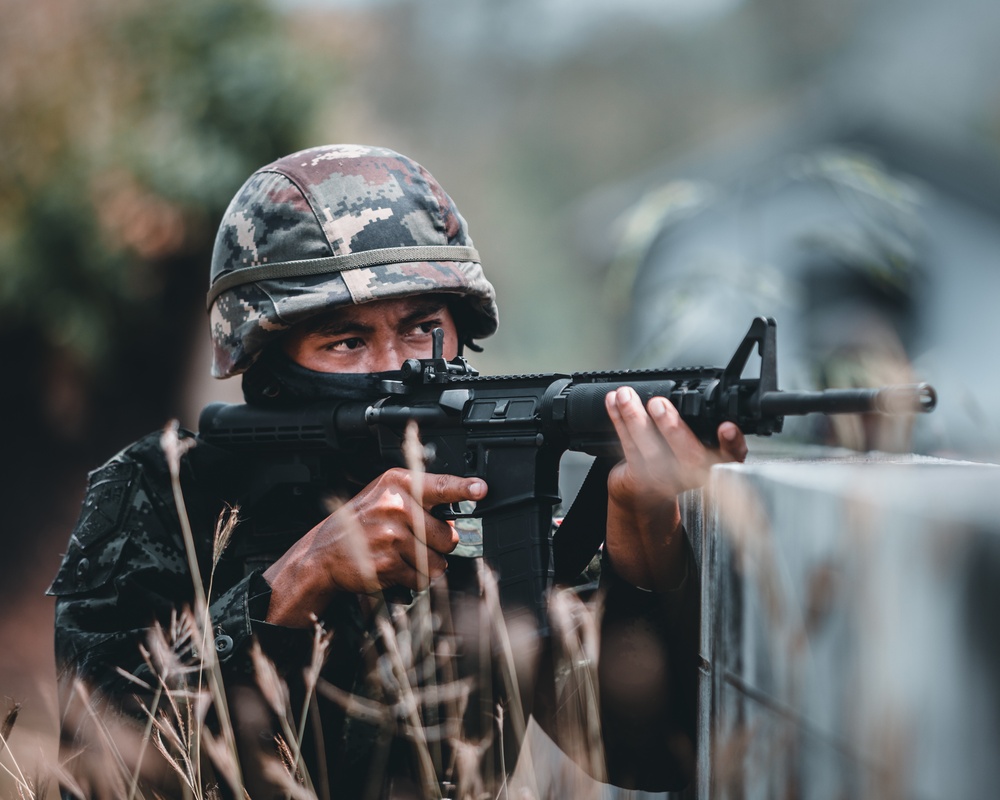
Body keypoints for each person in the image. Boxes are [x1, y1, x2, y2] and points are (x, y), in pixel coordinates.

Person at [49, 144, 747, 798]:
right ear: (268, 364)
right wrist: (296, 584)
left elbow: (646, 752)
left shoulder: (483, 492)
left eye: (421, 328)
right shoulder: (163, 490)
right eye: (347, 340)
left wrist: (642, 554)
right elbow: (98, 767)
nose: (393, 368)